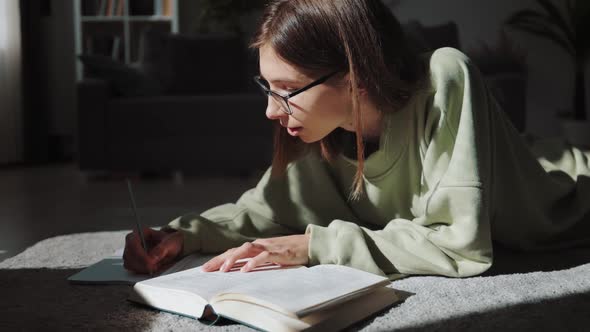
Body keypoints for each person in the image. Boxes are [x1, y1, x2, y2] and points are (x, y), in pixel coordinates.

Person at [123, 0, 590, 279]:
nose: (270, 109)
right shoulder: (324, 133)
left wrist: (312, 246)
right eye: (267, 88)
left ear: (357, 75)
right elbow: (261, 211)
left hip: (567, 188)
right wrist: (182, 235)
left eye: (287, 90)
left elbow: (461, 245)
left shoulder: (445, 75)